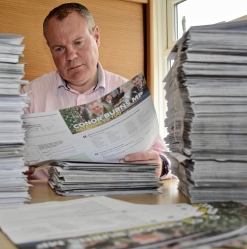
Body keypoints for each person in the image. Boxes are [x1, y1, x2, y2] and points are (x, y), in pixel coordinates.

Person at [21, 2, 170, 180]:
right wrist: (12, 166)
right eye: (59, 49)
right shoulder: (29, 95)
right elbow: (2, 157)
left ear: (96, 37)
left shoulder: (129, 92)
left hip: (117, 197)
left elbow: (164, 157)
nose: (71, 56)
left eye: (78, 42)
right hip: (48, 199)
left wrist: (161, 165)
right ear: (50, 49)